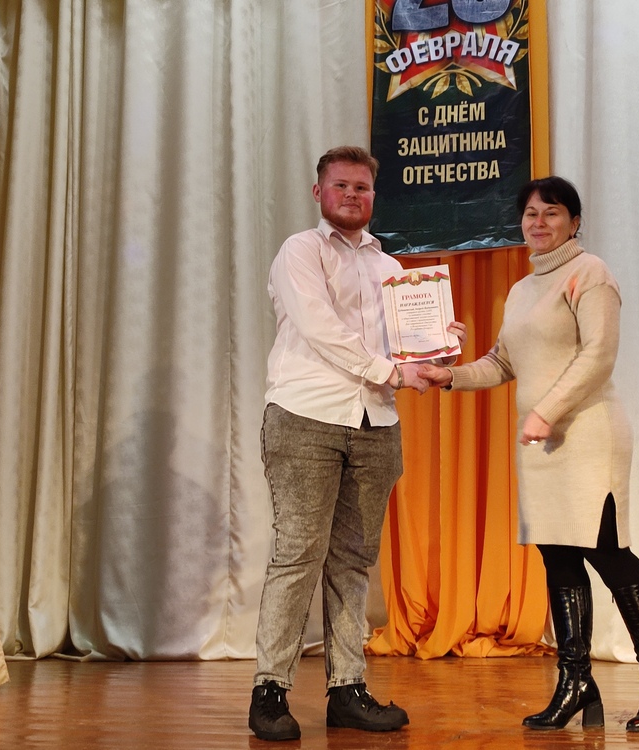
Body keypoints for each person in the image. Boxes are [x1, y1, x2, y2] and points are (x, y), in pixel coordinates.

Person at [419, 176, 639, 733]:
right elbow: (502, 362)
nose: (538, 222)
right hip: (542, 442)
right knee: (558, 559)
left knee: (610, 554)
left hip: (587, 434)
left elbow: (599, 354)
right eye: (530, 213)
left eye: (552, 212)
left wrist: (546, 411)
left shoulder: (591, 273)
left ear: (575, 222)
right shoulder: (522, 289)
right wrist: (449, 376)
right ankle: (575, 682)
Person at [249, 146, 464, 741]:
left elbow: (406, 348)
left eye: (362, 187)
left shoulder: (392, 269)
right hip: (305, 416)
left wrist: (440, 345)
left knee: (353, 560)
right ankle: (270, 691)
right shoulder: (301, 250)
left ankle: (347, 689)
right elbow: (320, 329)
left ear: (374, 196)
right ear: (318, 192)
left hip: (376, 423)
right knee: (298, 554)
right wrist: (393, 371)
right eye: (341, 185)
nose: (351, 195)